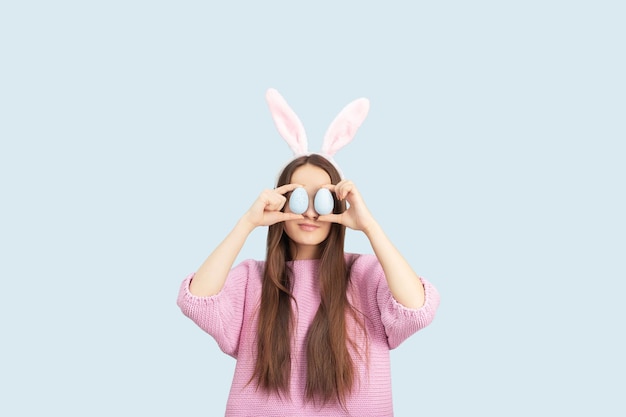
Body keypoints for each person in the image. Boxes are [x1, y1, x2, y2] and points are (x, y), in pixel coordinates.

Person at [177, 89, 440, 416]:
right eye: (299, 197)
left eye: (323, 198)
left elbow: (417, 308)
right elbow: (197, 300)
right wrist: (247, 222)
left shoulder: (365, 274)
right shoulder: (252, 280)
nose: (311, 212)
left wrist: (370, 226)